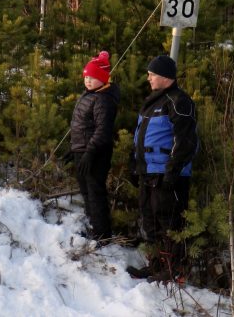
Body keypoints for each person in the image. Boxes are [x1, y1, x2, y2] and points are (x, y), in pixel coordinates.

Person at [126, 55, 198, 282]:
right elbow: (140, 135)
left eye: (152, 74)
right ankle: (156, 264)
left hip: (168, 174)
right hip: (148, 171)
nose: (148, 78)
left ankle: (172, 268)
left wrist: (172, 171)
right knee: (150, 221)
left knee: (170, 222)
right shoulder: (152, 101)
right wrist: (134, 164)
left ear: (165, 77)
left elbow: (185, 140)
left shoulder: (179, 101)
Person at [69, 51, 119, 242]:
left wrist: (89, 152)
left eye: (93, 77)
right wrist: (73, 147)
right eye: (86, 77)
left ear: (103, 79)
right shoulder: (89, 95)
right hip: (82, 150)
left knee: (94, 190)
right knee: (85, 189)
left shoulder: (103, 100)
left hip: (96, 153)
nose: (88, 81)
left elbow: (102, 130)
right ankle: (93, 226)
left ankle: (102, 233)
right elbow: (81, 125)